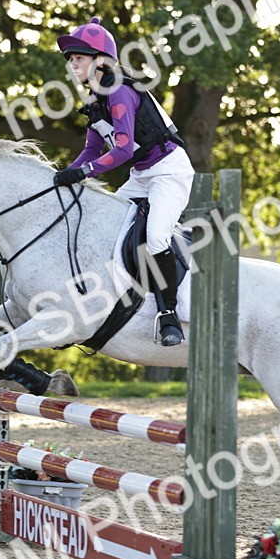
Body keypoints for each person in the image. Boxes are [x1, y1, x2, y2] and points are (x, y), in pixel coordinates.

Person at [52, 17, 193, 346]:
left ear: (100, 60)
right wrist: (62, 177)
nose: (73, 65)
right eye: (71, 60)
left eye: (79, 59)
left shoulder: (119, 92)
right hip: (141, 176)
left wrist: (83, 174)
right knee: (107, 226)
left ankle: (168, 315)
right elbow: (91, 150)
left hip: (169, 172)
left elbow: (125, 149)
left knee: (157, 238)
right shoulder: (96, 99)